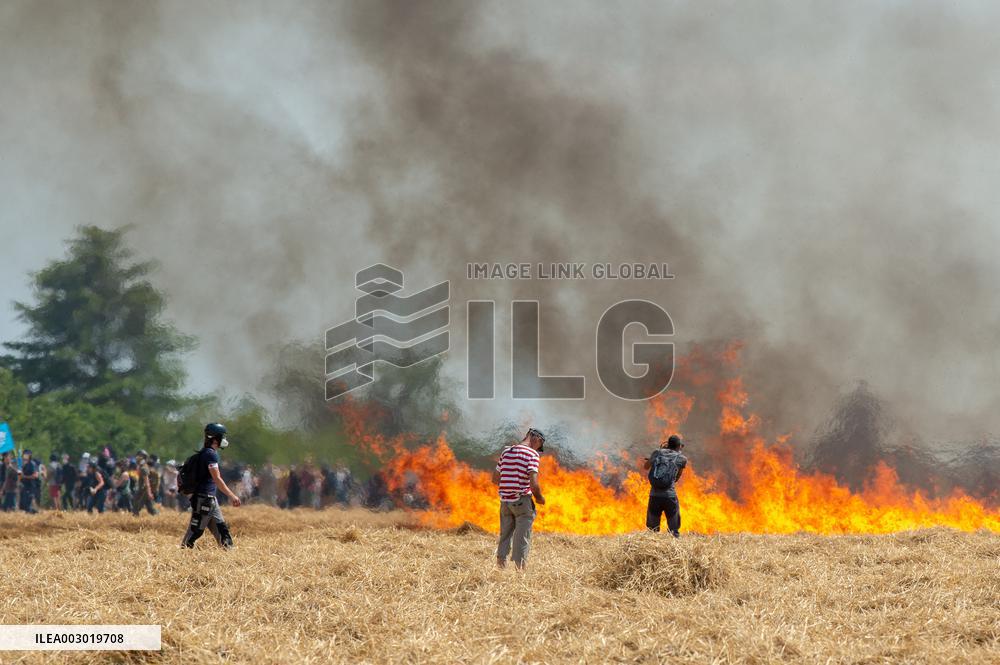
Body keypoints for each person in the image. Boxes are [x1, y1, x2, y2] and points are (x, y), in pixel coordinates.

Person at [492, 428, 546, 570]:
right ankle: (520, 575)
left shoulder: (506, 452)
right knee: (522, 537)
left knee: (505, 535)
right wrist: (540, 498)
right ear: (537, 438)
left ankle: (500, 569)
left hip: (505, 502)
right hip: (522, 501)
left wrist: (509, 484)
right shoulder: (532, 454)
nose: (538, 448)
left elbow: (495, 478)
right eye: (539, 445)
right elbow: (534, 484)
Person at [180, 423, 242, 549]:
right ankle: (182, 556)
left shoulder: (205, 453)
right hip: (205, 499)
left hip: (210, 499)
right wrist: (232, 496)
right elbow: (217, 478)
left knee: (222, 530)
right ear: (215, 439)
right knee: (194, 531)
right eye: (222, 437)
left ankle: (229, 556)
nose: (224, 440)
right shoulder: (210, 454)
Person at [643, 434, 688, 537]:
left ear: (667, 444)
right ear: (678, 446)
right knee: (674, 530)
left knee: (652, 531)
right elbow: (677, 477)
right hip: (669, 496)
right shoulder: (681, 459)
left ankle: (650, 551)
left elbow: (646, 467)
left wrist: (656, 456)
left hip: (654, 496)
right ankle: (675, 550)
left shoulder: (657, 453)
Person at [132, 450, 158, 516]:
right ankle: (157, 517)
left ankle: (134, 521)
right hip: (143, 490)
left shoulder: (144, 468)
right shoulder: (142, 466)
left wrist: (149, 493)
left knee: (136, 507)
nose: (136, 458)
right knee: (150, 508)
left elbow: (147, 482)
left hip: (143, 491)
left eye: (138, 456)